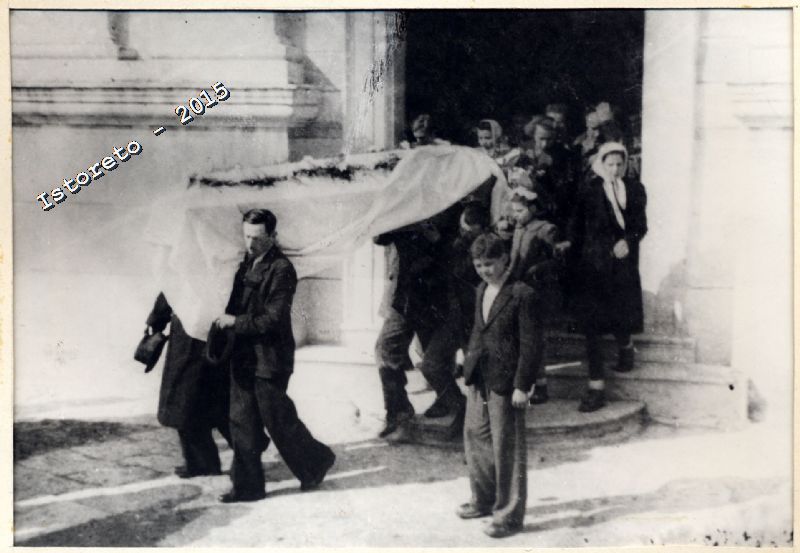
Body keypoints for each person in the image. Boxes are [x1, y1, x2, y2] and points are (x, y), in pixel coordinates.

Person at [215, 208, 335, 502]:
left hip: (270, 358)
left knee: (278, 421)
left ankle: (316, 462)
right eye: (246, 236)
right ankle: (247, 487)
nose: (250, 244)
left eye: (257, 238)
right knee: (241, 421)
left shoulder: (282, 269)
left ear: (273, 236)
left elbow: (272, 318)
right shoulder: (245, 264)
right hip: (243, 356)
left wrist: (235, 322)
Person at [457, 232, 541, 539]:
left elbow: (531, 344)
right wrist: (466, 369)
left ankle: (508, 515)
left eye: (489, 264)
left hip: (508, 382)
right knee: (475, 436)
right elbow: (479, 332)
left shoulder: (522, 294)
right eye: (478, 265)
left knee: (507, 447)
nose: (483, 270)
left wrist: (523, 384)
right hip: (480, 376)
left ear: (505, 259)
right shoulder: (481, 289)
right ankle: (483, 499)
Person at [562, 142, 648, 413]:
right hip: (593, 266)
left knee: (620, 315)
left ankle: (626, 345)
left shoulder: (634, 189)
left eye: (619, 164)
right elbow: (576, 226)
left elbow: (640, 226)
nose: (614, 169)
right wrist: (570, 251)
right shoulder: (589, 190)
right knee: (592, 326)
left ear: (625, 164)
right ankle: (596, 387)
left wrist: (629, 241)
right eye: (609, 164)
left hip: (621, 263)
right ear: (601, 163)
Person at [374, 208, 467, 440]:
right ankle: (398, 411)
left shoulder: (443, 201)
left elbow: (450, 247)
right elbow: (379, 237)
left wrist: (429, 231)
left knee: (433, 360)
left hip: (434, 295)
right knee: (385, 349)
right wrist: (399, 215)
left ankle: (456, 408)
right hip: (404, 296)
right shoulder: (404, 202)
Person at [144, 293, 232, 478]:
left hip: (188, 339)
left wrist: (156, 320)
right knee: (211, 403)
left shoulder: (188, 264)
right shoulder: (228, 264)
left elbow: (172, 287)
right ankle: (212, 461)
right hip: (218, 337)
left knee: (183, 402)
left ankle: (204, 463)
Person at [507, 188, 567, 405]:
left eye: (520, 210)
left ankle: (541, 385)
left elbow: (559, 259)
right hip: (519, 288)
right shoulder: (518, 229)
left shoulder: (545, 229)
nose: (516, 215)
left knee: (536, 340)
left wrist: (540, 268)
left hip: (539, 292)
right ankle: (525, 381)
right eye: (514, 210)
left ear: (532, 208)